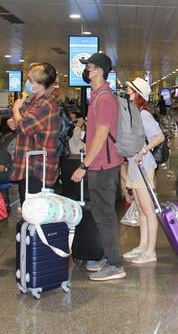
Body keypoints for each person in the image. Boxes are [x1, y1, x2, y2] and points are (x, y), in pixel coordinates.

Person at [71, 53, 126, 281]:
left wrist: (84, 165)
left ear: (100, 71)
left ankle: (115, 265)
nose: (87, 71)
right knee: (101, 214)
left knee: (105, 216)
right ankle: (108, 256)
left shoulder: (104, 99)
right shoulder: (97, 96)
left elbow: (102, 136)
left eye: (90, 67)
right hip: (100, 164)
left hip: (103, 165)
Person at [122, 78, 165, 265]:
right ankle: (142, 245)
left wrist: (144, 150)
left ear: (137, 95)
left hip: (143, 166)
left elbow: (159, 137)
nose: (127, 93)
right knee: (140, 208)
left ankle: (150, 250)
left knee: (148, 209)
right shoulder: (135, 114)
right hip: (134, 166)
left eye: (130, 91)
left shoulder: (144, 115)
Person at [7, 62, 61, 205]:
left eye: (30, 80)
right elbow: (21, 123)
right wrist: (14, 121)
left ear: (40, 84)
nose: (27, 82)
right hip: (26, 166)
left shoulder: (47, 104)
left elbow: (24, 127)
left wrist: (15, 109)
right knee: (27, 210)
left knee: (36, 212)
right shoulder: (32, 100)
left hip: (38, 168)